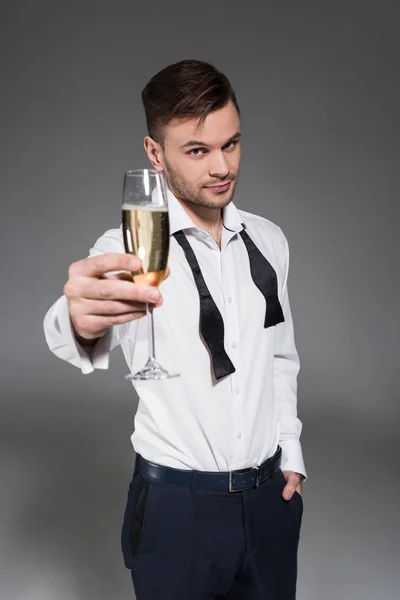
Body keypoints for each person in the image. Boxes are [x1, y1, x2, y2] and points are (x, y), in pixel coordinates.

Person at [44, 59, 307, 600]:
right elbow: (79, 321)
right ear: (154, 153)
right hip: (177, 511)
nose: (221, 167)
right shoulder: (126, 246)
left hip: (268, 505)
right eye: (197, 150)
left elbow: (280, 356)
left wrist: (292, 457)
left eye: (231, 144)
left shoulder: (269, 240)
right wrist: (76, 318)